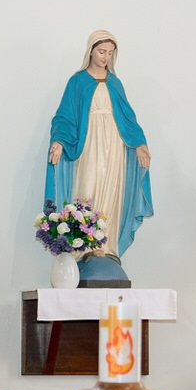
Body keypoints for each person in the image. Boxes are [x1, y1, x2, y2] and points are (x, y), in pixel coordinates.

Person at [45, 30, 152, 273]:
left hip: (114, 144)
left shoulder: (115, 83)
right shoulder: (78, 81)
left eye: (110, 53)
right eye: (102, 51)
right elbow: (65, 116)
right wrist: (59, 140)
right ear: (91, 50)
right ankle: (85, 247)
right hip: (90, 142)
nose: (105, 57)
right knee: (89, 187)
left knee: (112, 189)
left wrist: (140, 143)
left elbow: (128, 118)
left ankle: (107, 245)